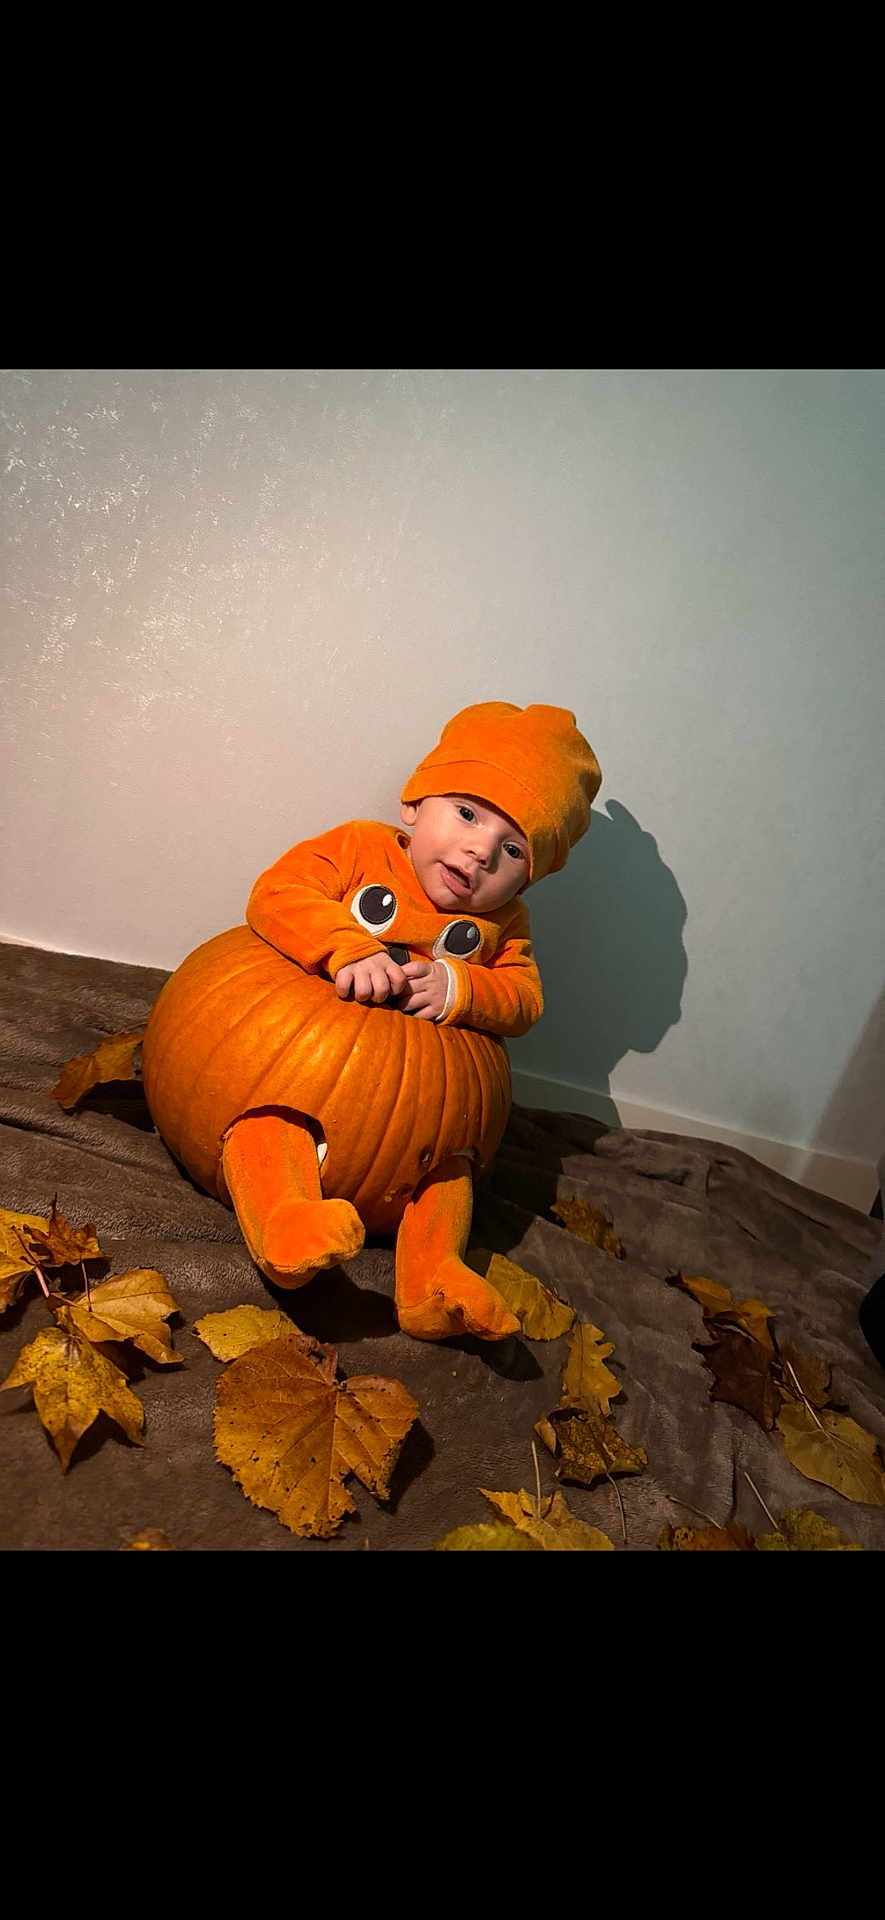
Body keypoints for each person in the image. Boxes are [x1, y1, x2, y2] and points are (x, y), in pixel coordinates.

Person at [228, 700, 601, 1339]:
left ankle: (433, 1275)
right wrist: (348, 947)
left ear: (525, 880)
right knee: (269, 1114)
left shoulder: (503, 927)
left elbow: (524, 999)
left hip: (419, 1113)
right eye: (467, 813)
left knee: (451, 1163)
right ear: (414, 804)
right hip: (304, 1058)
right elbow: (277, 892)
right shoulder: (360, 849)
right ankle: (283, 1216)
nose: (480, 850)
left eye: (511, 849)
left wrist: (460, 986)